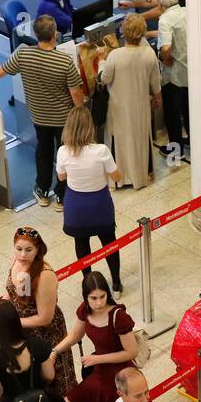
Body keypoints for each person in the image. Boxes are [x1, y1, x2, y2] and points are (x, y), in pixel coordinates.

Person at [0, 14, 84, 208]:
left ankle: (43, 190)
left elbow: (0, 71)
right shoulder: (64, 61)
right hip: (63, 118)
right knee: (65, 153)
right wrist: (82, 113)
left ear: (36, 35)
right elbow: (76, 93)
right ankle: (62, 195)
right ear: (54, 34)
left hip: (39, 116)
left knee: (43, 151)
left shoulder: (23, 55)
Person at [53, 271, 138, 402]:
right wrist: (54, 352)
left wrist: (98, 359)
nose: (99, 303)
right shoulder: (85, 310)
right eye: (93, 298)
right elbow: (75, 335)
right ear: (85, 297)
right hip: (100, 370)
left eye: (102, 296)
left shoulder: (119, 317)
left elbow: (131, 352)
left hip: (122, 372)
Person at [56, 106, 122, 287]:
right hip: (99, 203)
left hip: (76, 205)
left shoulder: (63, 151)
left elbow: (61, 177)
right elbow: (117, 177)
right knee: (109, 243)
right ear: (89, 127)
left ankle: (89, 283)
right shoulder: (101, 150)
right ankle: (116, 282)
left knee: (82, 244)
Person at [5, 227, 76, 397]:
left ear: (38, 250)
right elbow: (10, 290)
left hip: (45, 334)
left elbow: (45, 318)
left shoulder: (45, 276)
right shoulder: (17, 262)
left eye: (28, 250)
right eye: (18, 249)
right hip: (22, 331)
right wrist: (0, 309)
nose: (22, 255)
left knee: (53, 377)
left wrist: (14, 322)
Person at [98, 13, 162, 191]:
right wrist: (157, 99)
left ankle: (119, 178)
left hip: (119, 107)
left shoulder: (115, 56)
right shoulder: (149, 54)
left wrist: (102, 61)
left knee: (119, 140)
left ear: (123, 32)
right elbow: (156, 85)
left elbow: (104, 79)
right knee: (141, 138)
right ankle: (142, 174)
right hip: (140, 106)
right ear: (143, 32)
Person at [156, 0, 189, 162]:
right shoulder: (186, 11)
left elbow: (166, 47)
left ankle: (176, 150)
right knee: (188, 108)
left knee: (172, 113)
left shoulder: (165, 20)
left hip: (174, 75)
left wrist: (165, 57)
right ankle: (192, 140)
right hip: (189, 70)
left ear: (160, 4)